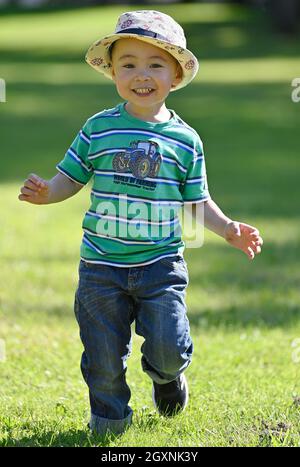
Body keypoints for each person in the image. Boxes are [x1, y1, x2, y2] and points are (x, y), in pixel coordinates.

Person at [18, 10, 263, 437]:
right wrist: (47, 192)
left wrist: (227, 229)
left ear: (175, 75)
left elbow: (197, 200)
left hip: (161, 266)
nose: (141, 75)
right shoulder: (98, 128)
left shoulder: (186, 140)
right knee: (103, 357)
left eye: (155, 64)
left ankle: (167, 377)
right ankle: (109, 424)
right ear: (112, 71)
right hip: (100, 268)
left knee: (168, 346)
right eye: (128, 64)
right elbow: (70, 179)